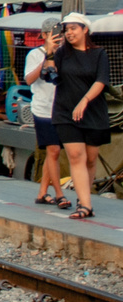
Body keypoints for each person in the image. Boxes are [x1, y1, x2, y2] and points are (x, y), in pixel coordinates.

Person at [50, 12, 112, 219]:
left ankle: (82, 197)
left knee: (90, 160)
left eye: (73, 28)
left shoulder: (99, 54)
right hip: (65, 111)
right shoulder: (61, 54)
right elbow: (48, 75)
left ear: (85, 29)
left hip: (93, 112)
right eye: (66, 29)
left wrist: (84, 101)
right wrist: (49, 54)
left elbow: (101, 81)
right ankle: (86, 206)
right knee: (76, 156)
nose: (69, 33)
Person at [24, 17, 67, 207]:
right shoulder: (35, 54)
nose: (57, 38)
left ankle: (42, 192)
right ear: (44, 35)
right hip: (42, 109)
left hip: (61, 108)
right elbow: (29, 79)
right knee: (54, 150)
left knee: (53, 153)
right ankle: (59, 194)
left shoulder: (66, 54)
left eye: (60, 35)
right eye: (52, 35)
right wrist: (47, 56)